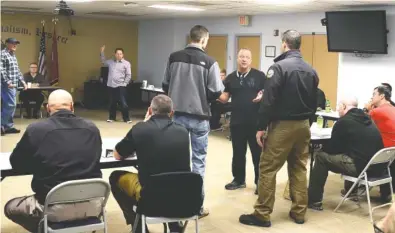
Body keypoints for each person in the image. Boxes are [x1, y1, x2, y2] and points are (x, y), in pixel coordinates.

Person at [239, 30, 318, 227]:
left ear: (284, 44)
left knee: (267, 168)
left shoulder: (278, 68)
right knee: (299, 168)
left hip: (282, 126)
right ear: (299, 45)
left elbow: (269, 101)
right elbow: (316, 100)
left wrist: (260, 127)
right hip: (304, 126)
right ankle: (299, 212)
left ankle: (262, 214)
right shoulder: (311, 70)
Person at [4, 89, 103, 233]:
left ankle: (47, 229)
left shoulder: (36, 130)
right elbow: (95, 157)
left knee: (11, 207)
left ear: (48, 108)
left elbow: (16, 163)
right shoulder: (92, 128)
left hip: (53, 208)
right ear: (72, 107)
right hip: (93, 206)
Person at [162, 25, 224, 218]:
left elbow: (165, 84)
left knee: (176, 160)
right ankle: (195, 207)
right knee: (198, 162)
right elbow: (216, 91)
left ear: (191, 38)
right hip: (200, 118)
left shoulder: (173, 57)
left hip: (177, 115)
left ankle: (174, 203)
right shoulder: (210, 62)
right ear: (204, 40)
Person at [109, 95, 191, 233]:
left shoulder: (140, 129)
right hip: (181, 194)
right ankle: (174, 225)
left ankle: (138, 226)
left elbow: (117, 155)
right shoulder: (183, 131)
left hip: (151, 192)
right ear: (172, 112)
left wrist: (144, 123)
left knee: (115, 177)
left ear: (150, 110)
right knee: (169, 177)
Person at [307, 96, 383, 211]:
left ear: (343, 107)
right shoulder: (367, 119)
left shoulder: (343, 122)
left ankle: (314, 200)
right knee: (353, 153)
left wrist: (322, 147)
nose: (337, 109)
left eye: (338, 106)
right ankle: (351, 192)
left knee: (321, 157)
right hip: (376, 167)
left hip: (361, 168)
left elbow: (333, 149)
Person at [218, 48, 265, 194]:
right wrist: (212, 92)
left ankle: (260, 183)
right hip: (237, 121)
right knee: (238, 152)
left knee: (257, 154)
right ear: (237, 59)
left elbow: (267, 91)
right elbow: (225, 96)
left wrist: (262, 95)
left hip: (254, 122)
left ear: (251, 60)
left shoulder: (259, 76)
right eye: (241, 57)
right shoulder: (231, 78)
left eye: (247, 57)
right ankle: (238, 180)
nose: (244, 59)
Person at [368, 85, 395, 202]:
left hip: (385, 151)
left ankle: (353, 190)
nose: (371, 97)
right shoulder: (392, 108)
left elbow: (361, 121)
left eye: (374, 94)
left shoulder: (378, 111)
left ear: (382, 96)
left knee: (356, 148)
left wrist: (367, 107)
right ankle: (386, 192)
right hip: (392, 151)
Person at [1, 38, 27, 135]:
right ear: (7, 44)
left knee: (11, 106)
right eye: (13, 43)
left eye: (16, 43)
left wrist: (23, 81)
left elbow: (17, 70)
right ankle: (2, 126)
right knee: (10, 105)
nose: (15, 45)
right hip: (6, 85)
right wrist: (7, 82)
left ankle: (8, 127)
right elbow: (1, 70)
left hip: (14, 85)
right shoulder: (3, 54)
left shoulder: (13, 55)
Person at [100, 45, 132, 123]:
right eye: (117, 53)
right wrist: (102, 52)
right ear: (115, 54)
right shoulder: (111, 62)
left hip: (120, 86)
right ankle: (112, 117)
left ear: (123, 55)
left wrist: (125, 83)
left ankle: (126, 119)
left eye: (120, 54)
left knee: (123, 103)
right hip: (111, 85)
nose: (119, 55)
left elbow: (128, 75)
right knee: (112, 102)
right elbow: (103, 61)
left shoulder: (126, 63)